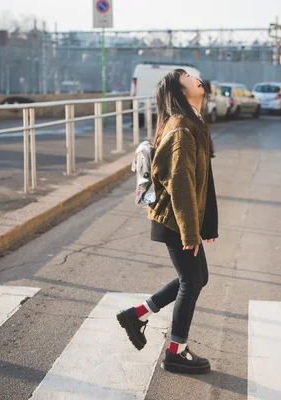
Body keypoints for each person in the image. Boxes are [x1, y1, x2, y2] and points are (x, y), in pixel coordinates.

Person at [117, 69, 219, 375]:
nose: (196, 77)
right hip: (175, 219)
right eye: (187, 75)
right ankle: (176, 351)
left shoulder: (192, 123)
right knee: (192, 280)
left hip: (181, 218)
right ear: (180, 90)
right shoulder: (181, 131)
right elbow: (181, 185)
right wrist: (191, 232)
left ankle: (137, 314)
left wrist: (207, 226)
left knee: (198, 277)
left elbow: (204, 182)